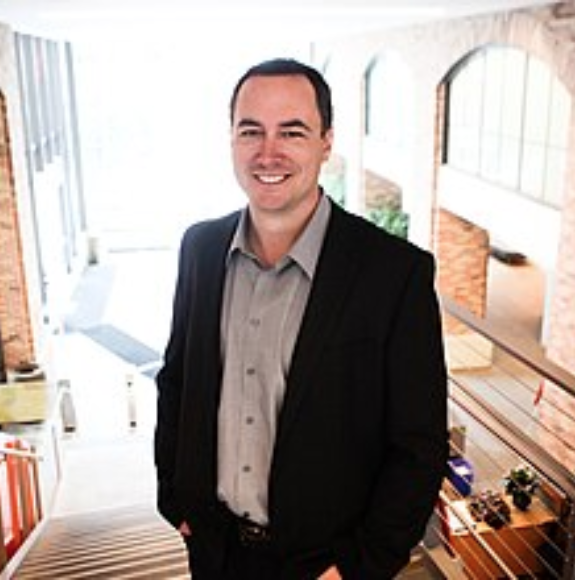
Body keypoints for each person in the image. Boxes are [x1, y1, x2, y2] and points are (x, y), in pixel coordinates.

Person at [154, 58, 448, 580]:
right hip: (213, 549)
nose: (268, 152)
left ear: (326, 142)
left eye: (292, 131)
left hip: (322, 565)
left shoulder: (394, 273)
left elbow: (418, 447)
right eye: (251, 131)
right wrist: (175, 498)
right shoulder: (199, 248)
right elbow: (177, 380)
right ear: (231, 140)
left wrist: (360, 565)